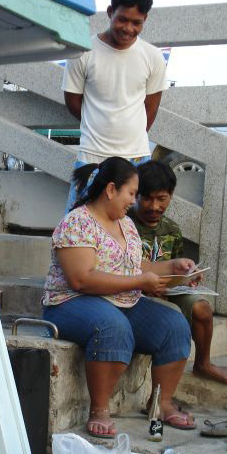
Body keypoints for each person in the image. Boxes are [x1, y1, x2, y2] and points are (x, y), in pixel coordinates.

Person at [42, 157, 197, 439]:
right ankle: (99, 409)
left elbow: (137, 267)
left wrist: (176, 269)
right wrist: (140, 281)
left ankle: (162, 403)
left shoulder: (126, 224)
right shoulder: (78, 222)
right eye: (132, 193)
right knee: (113, 327)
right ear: (111, 190)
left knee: (174, 324)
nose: (133, 201)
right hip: (70, 303)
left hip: (121, 301)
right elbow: (81, 279)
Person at [129, 160, 227, 387]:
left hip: (165, 291)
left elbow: (175, 268)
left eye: (161, 199)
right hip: (134, 290)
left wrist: (187, 278)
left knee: (202, 308)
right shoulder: (125, 224)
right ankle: (160, 400)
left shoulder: (171, 229)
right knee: (172, 322)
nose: (154, 206)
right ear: (135, 195)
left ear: (171, 196)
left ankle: (204, 363)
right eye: (147, 198)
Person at [62, 0, 166, 211]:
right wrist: (98, 122)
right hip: (91, 157)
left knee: (130, 232)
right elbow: (72, 101)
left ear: (145, 20)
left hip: (137, 158)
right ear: (110, 13)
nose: (128, 28)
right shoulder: (83, 52)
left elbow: (152, 107)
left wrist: (131, 132)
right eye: (122, 19)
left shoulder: (153, 57)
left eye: (136, 22)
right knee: (78, 224)